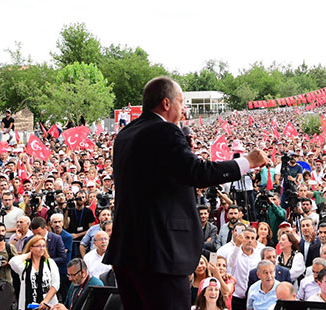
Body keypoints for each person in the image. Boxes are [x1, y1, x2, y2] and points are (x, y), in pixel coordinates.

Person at [103, 77, 268, 310]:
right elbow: (196, 172)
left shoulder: (126, 134)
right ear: (166, 103)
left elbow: (161, 179)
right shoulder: (164, 131)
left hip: (128, 252)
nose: (184, 110)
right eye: (181, 102)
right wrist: (246, 162)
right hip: (160, 254)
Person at [9, 235, 60, 310]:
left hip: (47, 303)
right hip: (27, 303)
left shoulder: (49, 263)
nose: (42, 248)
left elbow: (56, 284)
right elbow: (12, 262)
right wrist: (27, 255)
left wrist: (45, 301)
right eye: (38, 246)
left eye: (43, 246)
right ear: (31, 248)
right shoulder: (25, 264)